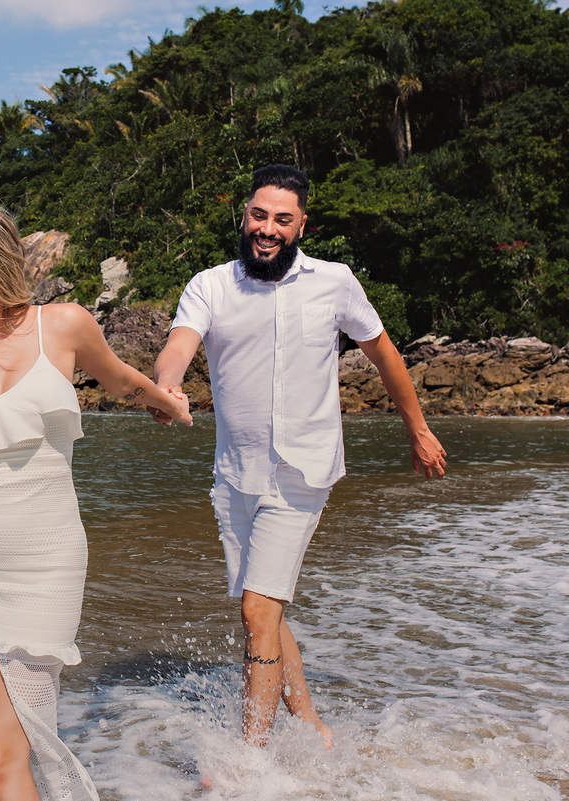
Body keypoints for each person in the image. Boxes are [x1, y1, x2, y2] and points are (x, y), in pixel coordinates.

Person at [0, 201, 192, 800]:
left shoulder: (65, 325)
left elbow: (118, 377)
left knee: (1, 753)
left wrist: (163, 399)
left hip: (44, 563)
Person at [151, 164, 447, 748]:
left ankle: (251, 756)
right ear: (244, 217)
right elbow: (177, 347)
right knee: (264, 602)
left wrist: (417, 427)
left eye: (282, 219)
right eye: (259, 216)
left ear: (301, 225)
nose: (268, 228)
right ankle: (308, 718)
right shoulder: (210, 285)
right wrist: (168, 388)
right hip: (235, 475)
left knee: (257, 613)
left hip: (303, 471)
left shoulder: (334, 282)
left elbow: (384, 353)